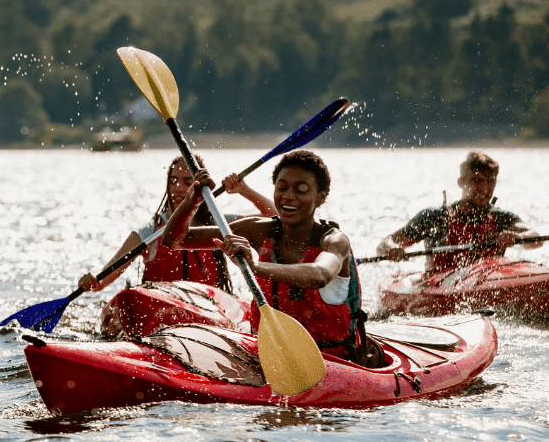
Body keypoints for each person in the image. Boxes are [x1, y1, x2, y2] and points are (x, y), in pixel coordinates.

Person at [165, 150, 383, 367]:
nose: (288, 196)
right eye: (282, 188)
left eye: (302, 190)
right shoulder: (258, 230)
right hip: (268, 360)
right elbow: (175, 240)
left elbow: (320, 275)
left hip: (335, 363)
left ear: (321, 196)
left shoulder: (335, 241)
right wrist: (193, 200)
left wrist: (255, 267)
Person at [78, 155, 277, 292]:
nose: (178, 188)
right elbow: (104, 280)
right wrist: (93, 282)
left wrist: (245, 190)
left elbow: (272, 218)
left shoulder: (221, 224)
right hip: (158, 304)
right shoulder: (148, 232)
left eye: (187, 181)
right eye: (173, 181)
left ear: (200, 187)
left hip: (210, 306)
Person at [375, 150, 540, 273]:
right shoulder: (435, 217)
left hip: (488, 281)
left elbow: (535, 237)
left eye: (490, 182)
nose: (484, 189)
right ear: (461, 182)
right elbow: (386, 242)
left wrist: (519, 238)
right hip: (438, 286)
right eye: (476, 181)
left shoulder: (501, 218)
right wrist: (392, 249)